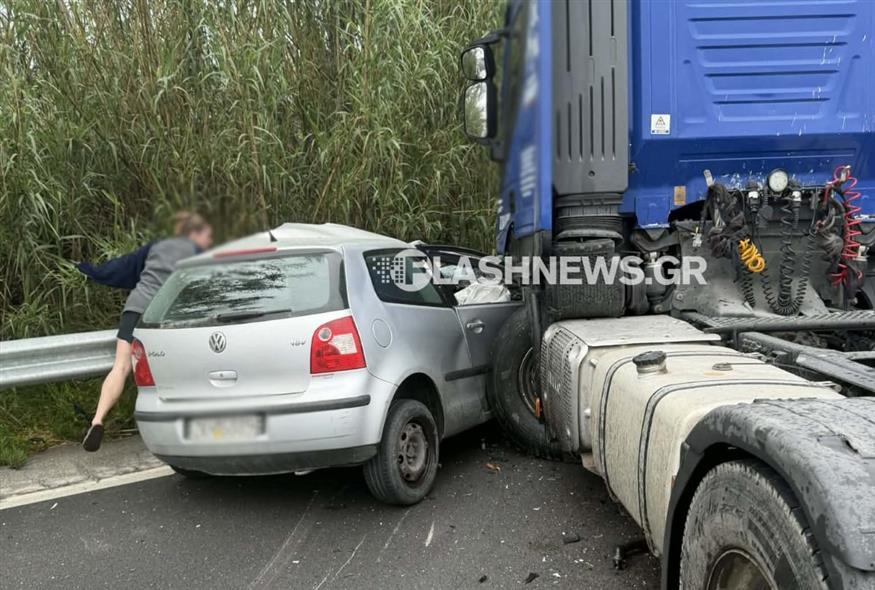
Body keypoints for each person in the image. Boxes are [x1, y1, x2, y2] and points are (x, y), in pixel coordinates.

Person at [80, 212, 213, 451]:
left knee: (121, 367)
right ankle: (178, 426)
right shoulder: (198, 253)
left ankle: (97, 420)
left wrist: (90, 270)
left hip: (136, 306)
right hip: (162, 313)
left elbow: (122, 268)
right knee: (168, 370)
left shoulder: (157, 246)